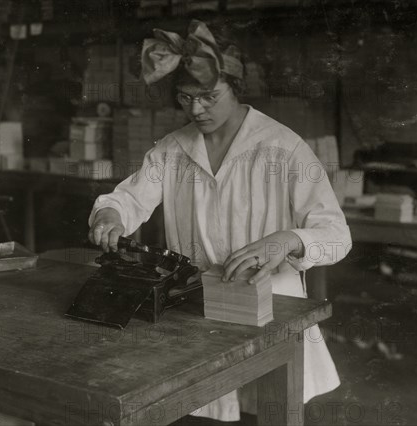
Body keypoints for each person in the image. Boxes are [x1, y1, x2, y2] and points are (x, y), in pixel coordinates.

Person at [88, 20, 352, 422]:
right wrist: (111, 213)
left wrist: (285, 239)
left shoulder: (281, 147)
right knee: (205, 410)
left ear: (236, 87)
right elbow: (128, 199)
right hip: (199, 308)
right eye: (185, 97)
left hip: (270, 311)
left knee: (270, 406)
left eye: (209, 97)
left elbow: (337, 235)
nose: (196, 109)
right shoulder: (173, 149)